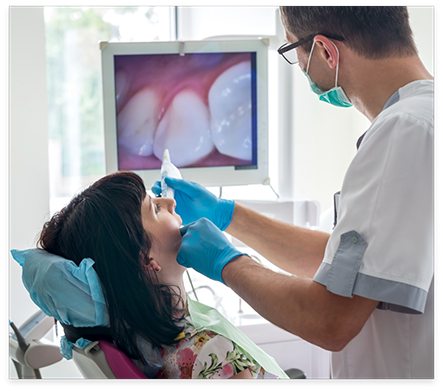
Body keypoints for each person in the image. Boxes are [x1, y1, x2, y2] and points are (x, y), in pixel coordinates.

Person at [153, 6, 434, 378]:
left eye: (293, 53)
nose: (301, 69)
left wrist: (227, 262)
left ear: (325, 51)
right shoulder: (419, 119)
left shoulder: (404, 131)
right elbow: (346, 267)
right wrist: (228, 214)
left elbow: (331, 320)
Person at [34, 171, 284, 379]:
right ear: (145, 258)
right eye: (155, 208)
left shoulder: (147, 350)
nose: (171, 203)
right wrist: (231, 262)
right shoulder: (211, 352)